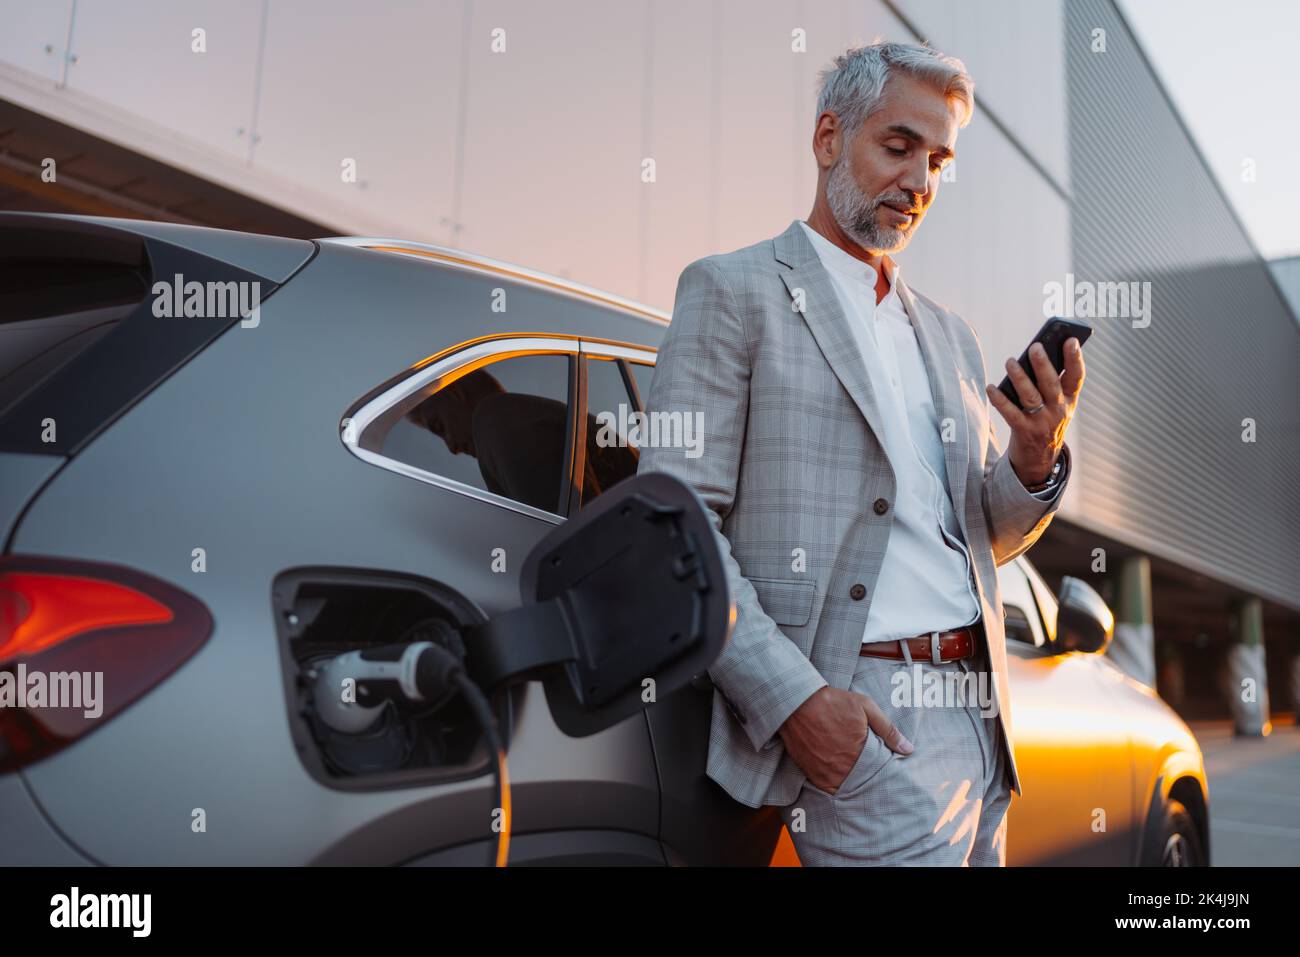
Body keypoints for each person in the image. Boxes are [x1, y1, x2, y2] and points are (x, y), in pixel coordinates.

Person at [636, 41, 1085, 865]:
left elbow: (985, 532)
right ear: (829, 138)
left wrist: (1031, 459)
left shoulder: (949, 333)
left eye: (939, 160)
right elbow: (674, 524)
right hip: (866, 722)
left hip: (982, 721)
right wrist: (800, 704)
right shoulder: (733, 292)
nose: (919, 181)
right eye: (899, 146)